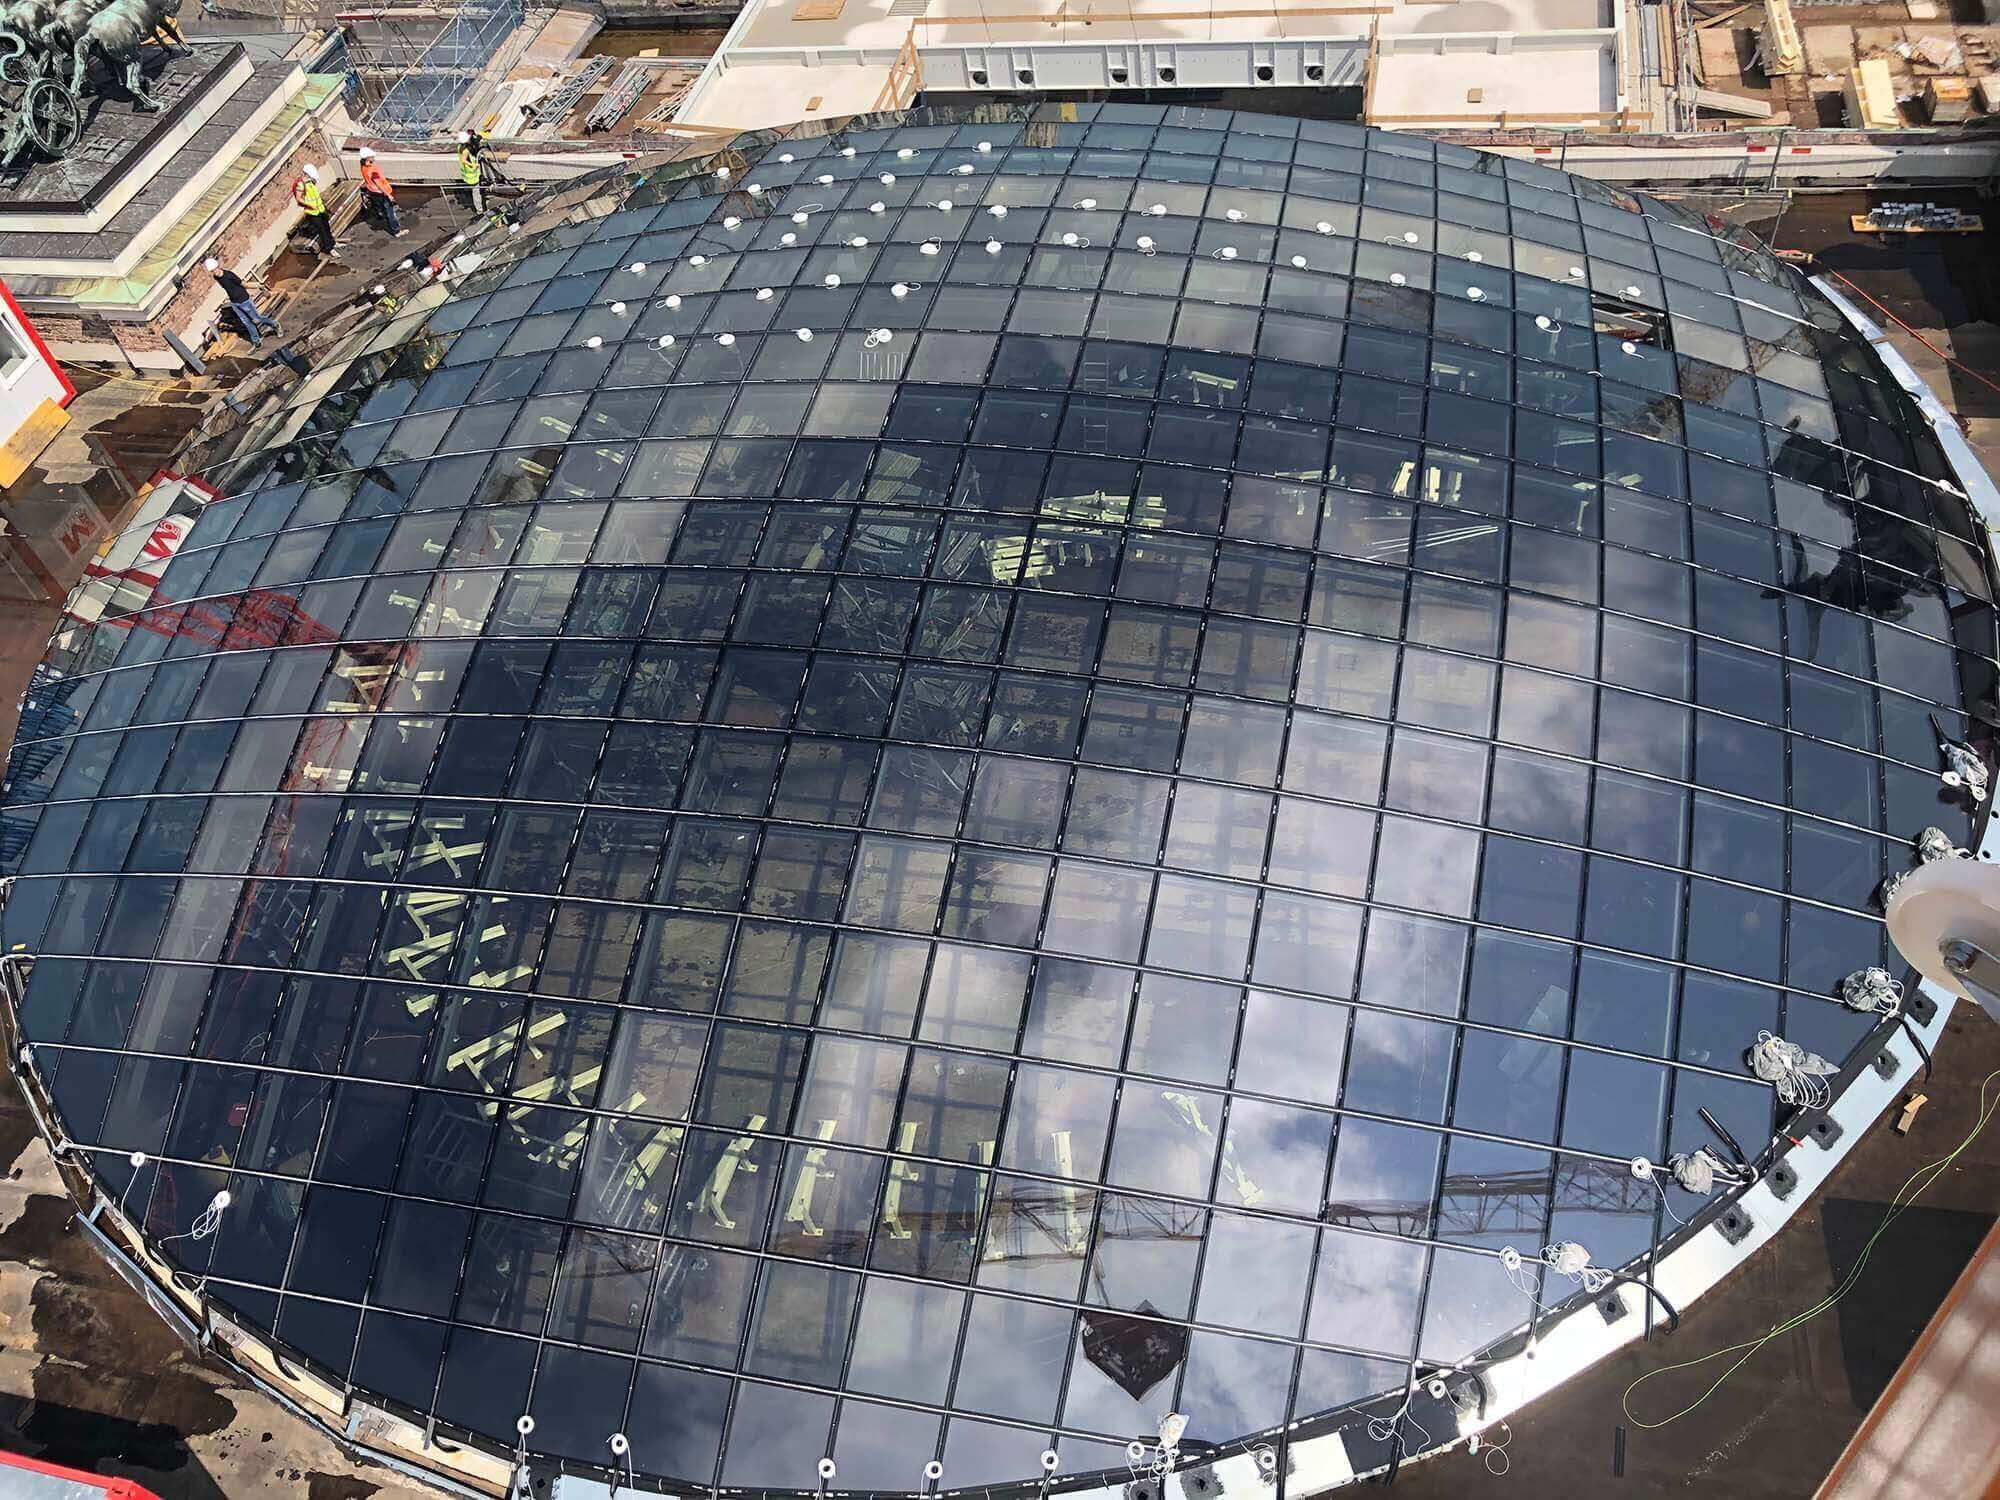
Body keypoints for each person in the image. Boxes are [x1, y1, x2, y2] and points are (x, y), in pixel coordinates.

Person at [204, 257, 279, 347]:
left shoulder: (229, 275)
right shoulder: (216, 277)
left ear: (218, 266)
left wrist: (258, 285)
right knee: (247, 323)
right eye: (212, 271)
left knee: (257, 319)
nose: (214, 272)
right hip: (235, 303)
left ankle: (275, 324)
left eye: (215, 269)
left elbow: (244, 284)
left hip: (245, 300)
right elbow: (224, 286)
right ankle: (257, 342)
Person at [291, 163, 338, 258]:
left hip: (320, 209)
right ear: (306, 174)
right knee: (322, 231)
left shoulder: (310, 182)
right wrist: (311, 205)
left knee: (326, 227)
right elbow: (299, 199)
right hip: (313, 212)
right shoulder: (300, 185)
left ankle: (332, 243)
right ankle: (329, 248)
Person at [356, 147, 405, 237]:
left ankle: (380, 215)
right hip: (381, 193)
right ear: (367, 158)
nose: (374, 158)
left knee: (380, 207)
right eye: (372, 157)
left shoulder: (363, 166)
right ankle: (396, 231)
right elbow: (379, 184)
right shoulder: (372, 170)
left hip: (372, 192)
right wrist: (388, 195)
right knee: (390, 213)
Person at [457, 131, 485, 214]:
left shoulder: (460, 147)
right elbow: (464, 160)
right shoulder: (466, 150)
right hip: (472, 176)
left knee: (478, 191)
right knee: (476, 193)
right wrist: (474, 165)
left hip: (469, 174)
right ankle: (480, 210)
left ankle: (481, 205)